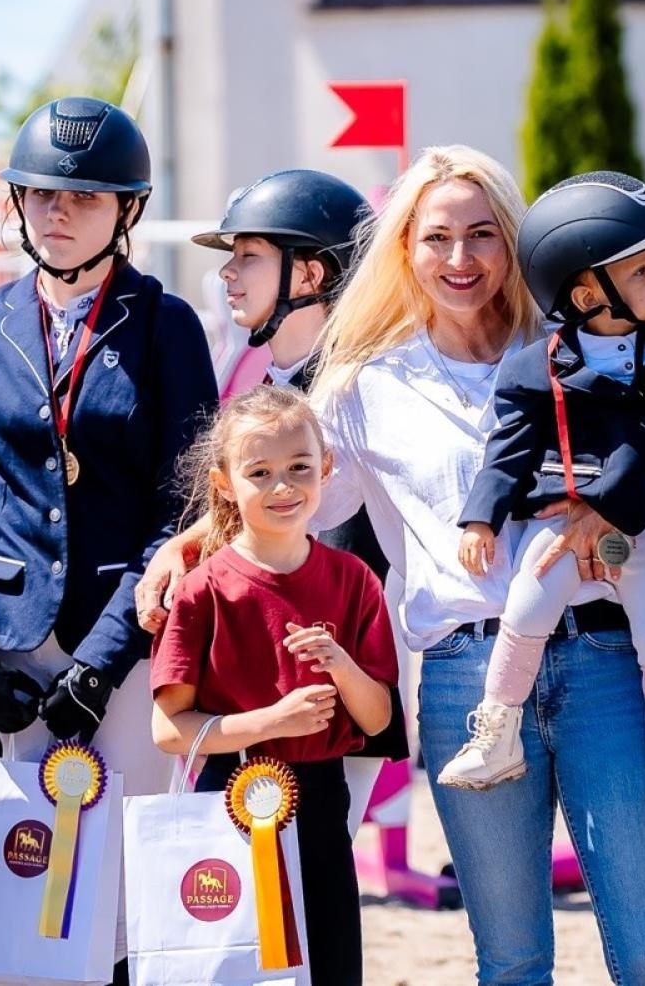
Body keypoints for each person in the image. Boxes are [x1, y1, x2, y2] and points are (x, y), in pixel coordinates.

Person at [137, 145, 645, 984]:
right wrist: (186, 543)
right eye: (437, 238)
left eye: (484, 234)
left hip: (608, 656)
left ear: (515, 243)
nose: (461, 259)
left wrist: (620, 505)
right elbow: (287, 493)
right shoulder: (360, 385)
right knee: (512, 958)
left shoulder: (585, 342)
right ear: (405, 252)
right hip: (465, 673)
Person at [0, 97, 218, 984]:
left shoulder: (166, 328)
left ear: (126, 211)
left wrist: (101, 661)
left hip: (122, 639)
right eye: (44, 193)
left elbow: (187, 506)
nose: (59, 213)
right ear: (16, 202)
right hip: (3, 643)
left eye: (85, 198)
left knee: (115, 894)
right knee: (18, 876)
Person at [439, 171, 645, 790]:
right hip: (562, 524)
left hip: (641, 532)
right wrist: (480, 515)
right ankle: (499, 729)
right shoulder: (534, 369)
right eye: (642, 271)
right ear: (588, 297)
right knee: (527, 603)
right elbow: (506, 451)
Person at [151, 385, 397, 986]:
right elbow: (168, 730)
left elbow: (378, 720)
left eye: (299, 468)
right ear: (225, 484)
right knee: (234, 969)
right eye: (260, 472)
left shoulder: (354, 579)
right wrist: (272, 722)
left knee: (330, 967)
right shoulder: (202, 589)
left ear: (327, 470)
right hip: (227, 797)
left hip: (320, 801)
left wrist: (340, 663)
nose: (283, 487)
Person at [190, 168, 406, 834]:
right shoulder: (276, 383)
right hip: (276, 671)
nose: (230, 273)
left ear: (310, 276)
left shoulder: (361, 390)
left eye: (249, 256)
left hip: (332, 672)